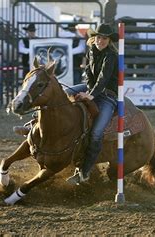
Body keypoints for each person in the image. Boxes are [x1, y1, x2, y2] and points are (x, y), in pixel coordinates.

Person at [65, 24, 119, 184]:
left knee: (96, 133)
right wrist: (88, 89)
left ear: (109, 41)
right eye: (98, 37)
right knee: (63, 93)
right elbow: (87, 73)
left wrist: (90, 95)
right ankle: (35, 121)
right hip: (90, 88)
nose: (100, 41)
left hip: (108, 95)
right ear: (93, 38)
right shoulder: (90, 51)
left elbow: (104, 79)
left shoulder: (111, 56)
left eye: (104, 38)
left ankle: (85, 172)